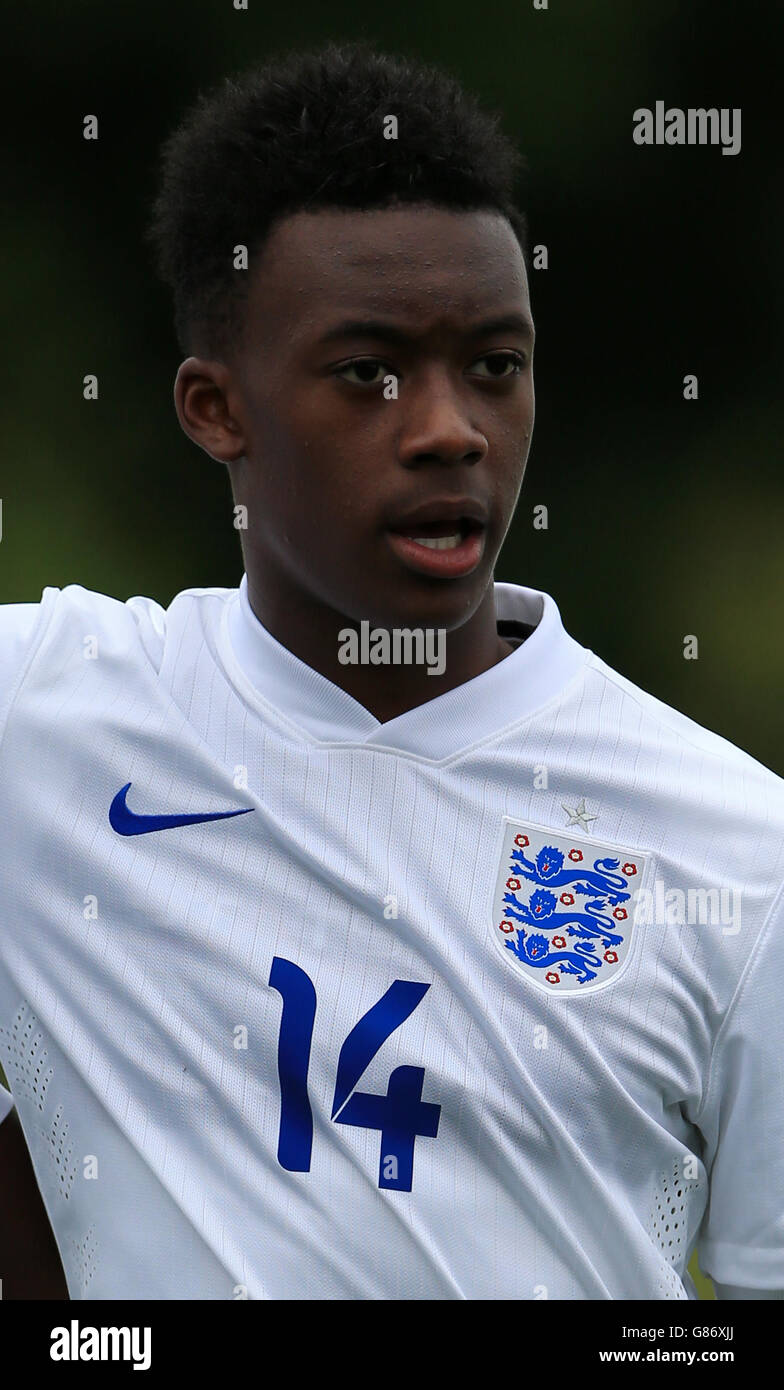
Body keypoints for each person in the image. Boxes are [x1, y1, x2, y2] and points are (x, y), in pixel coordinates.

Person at [1, 40, 782, 1301]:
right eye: (369, 373)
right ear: (216, 408)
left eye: (494, 365)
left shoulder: (734, 849)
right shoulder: (44, 720)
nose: (448, 429)